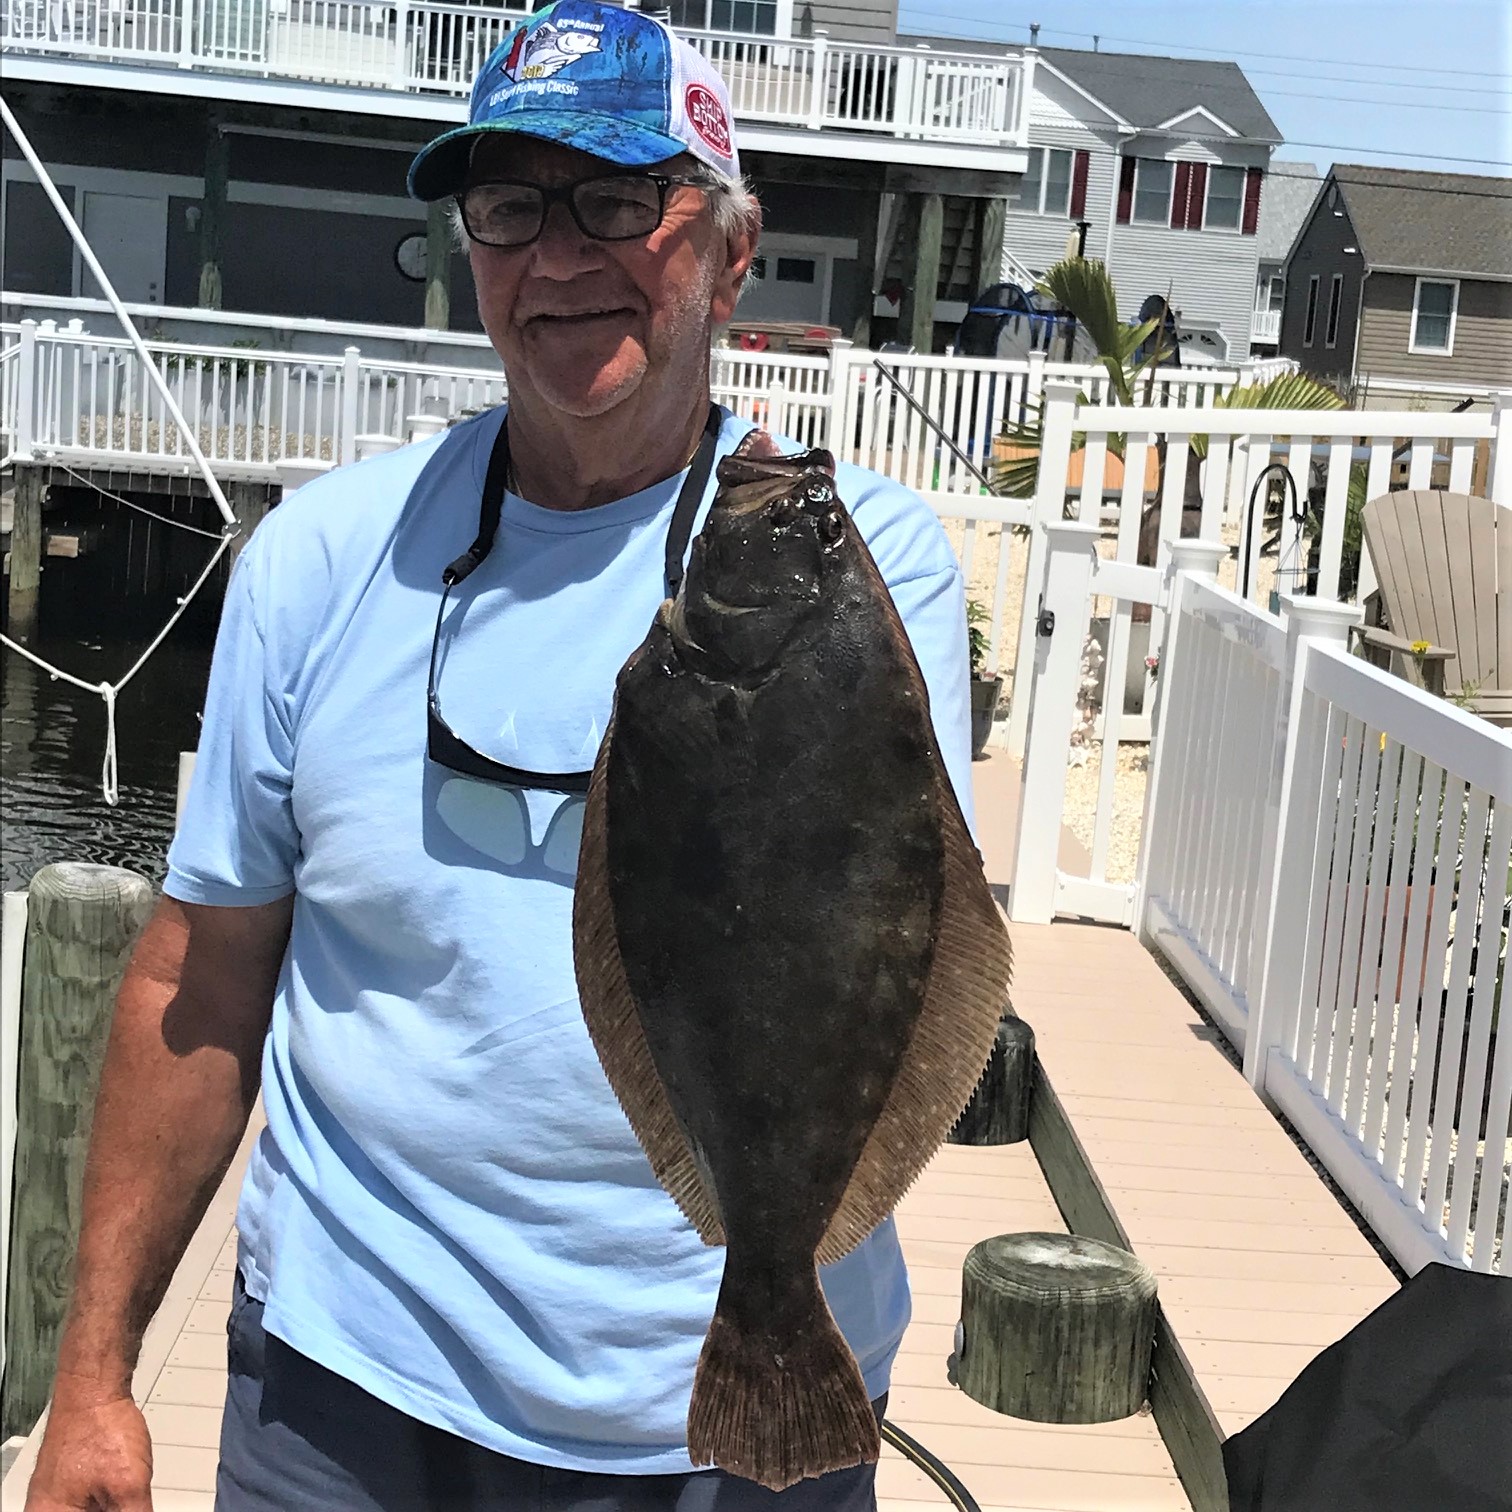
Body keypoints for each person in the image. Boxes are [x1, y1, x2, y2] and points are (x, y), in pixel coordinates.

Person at [25, 4, 975, 1508]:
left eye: (617, 199)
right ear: (466, 250)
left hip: (722, 1399)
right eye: (509, 207)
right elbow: (194, 981)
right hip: (350, 1373)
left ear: (732, 254)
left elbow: (897, 936)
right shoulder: (322, 560)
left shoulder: (863, 564)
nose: (560, 254)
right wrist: (93, 1377)